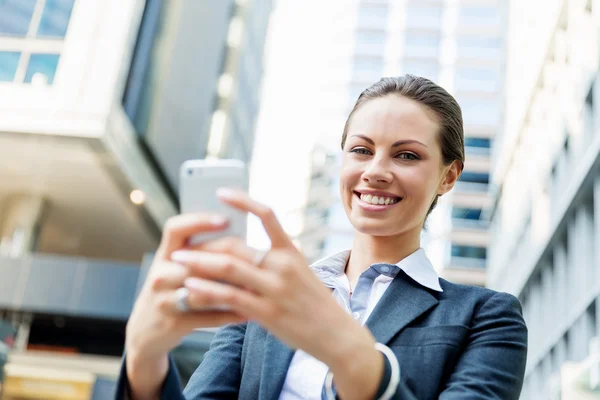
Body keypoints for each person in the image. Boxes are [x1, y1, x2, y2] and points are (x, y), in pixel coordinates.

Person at [118, 75, 528, 400]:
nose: (376, 171)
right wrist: (144, 361)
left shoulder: (486, 318)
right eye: (361, 150)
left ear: (448, 176)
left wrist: (351, 357)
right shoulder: (266, 301)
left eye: (407, 155)